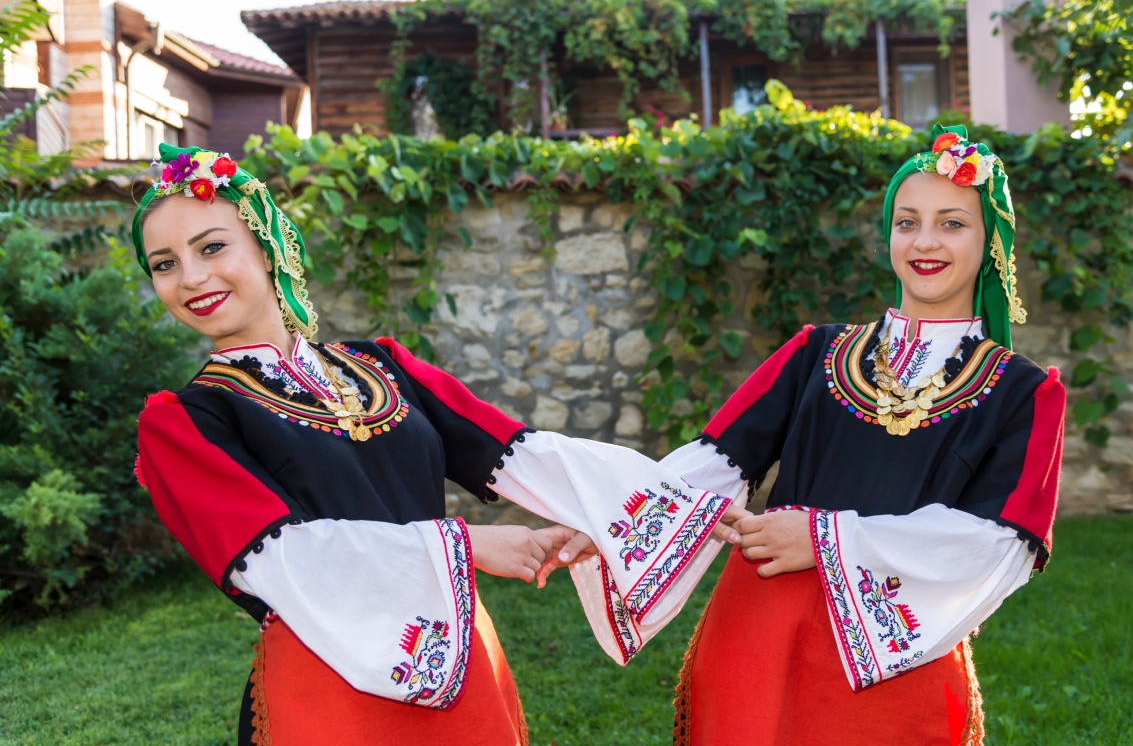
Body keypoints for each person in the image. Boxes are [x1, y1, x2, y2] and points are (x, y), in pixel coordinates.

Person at [132, 145, 747, 746]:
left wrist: (666, 501)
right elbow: (280, 557)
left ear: (267, 246)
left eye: (212, 247)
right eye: (164, 264)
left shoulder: (380, 365)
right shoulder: (185, 424)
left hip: (460, 655)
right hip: (327, 685)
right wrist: (468, 546)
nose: (191, 278)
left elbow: (516, 450)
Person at [654, 125, 1064, 745]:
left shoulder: (1023, 393)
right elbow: (710, 464)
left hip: (897, 655)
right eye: (907, 222)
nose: (925, 241)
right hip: (761, 627)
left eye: (953, 223)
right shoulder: (815, 352)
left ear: (992, 244)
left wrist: (825, 538)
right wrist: (606, 515)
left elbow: (997, 546)